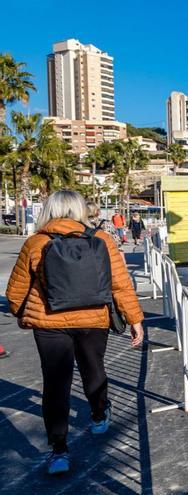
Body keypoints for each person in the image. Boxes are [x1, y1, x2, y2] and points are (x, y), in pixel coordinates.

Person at [5, 190, 144, 475]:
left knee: (56, 384)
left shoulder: (36, 242)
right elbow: (120, 284)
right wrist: (135, 319)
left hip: (49, 324)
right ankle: (98, 413)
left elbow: (16, 290)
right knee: (93, 368)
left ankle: (59, 451)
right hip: (94, 319)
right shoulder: (102, 240)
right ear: (81, 210)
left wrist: (21, 314)